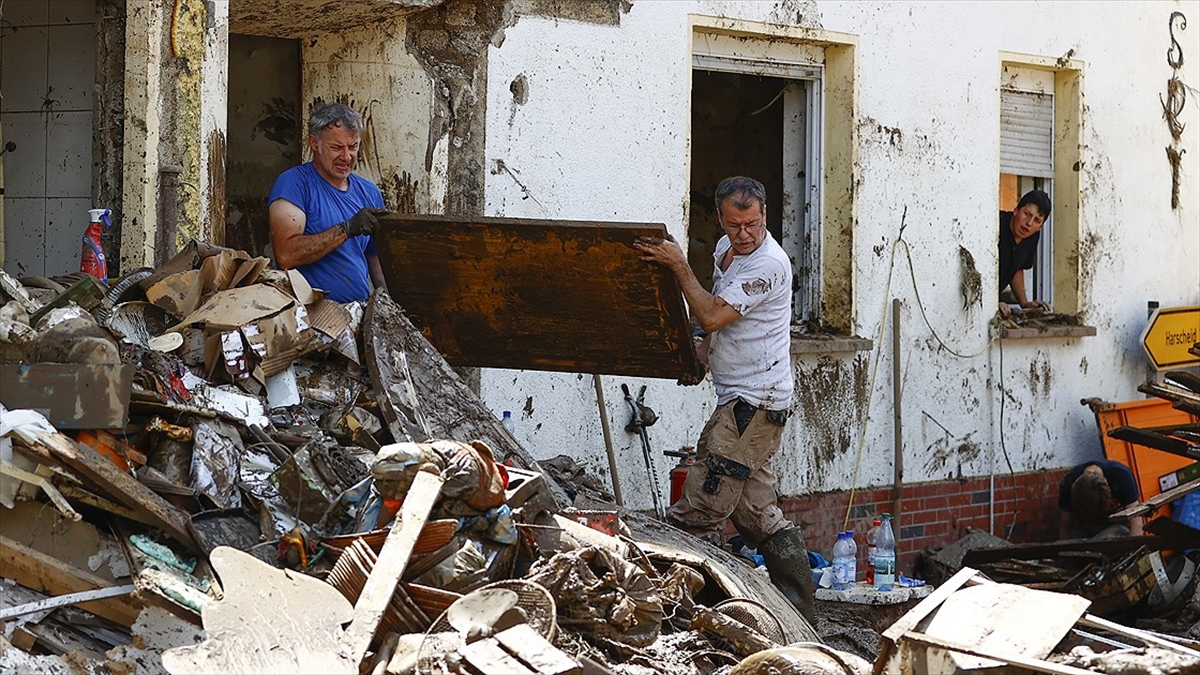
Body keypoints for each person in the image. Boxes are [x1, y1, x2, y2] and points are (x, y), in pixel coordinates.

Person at [634, 176, 815, 625]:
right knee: (756, 514)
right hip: (747, 399)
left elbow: (713, 316)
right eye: (735, 225)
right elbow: (724, 321)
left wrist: (679, 266)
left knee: (700, 506)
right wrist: (701, 355)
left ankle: (671, 610)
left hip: (752, 405)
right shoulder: (725, 250)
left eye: (753, 223)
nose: (745, 234)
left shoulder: (768, 265)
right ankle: (802, 614)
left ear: (766, 215)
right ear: (721, 218)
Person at [268, 103, 389, 303]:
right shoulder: (293, 184)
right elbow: (286, 255)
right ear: (314, 143)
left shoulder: (369, 192)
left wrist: (389, 304)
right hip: (311, 314)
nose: (346, 156)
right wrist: (347, 229)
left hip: (357, 311)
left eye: (353, 146)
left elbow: (375, 258)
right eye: (336, 147)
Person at [998, 189, 1052, 318]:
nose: (1029, 223)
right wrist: (991, 303)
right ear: (1016, 210)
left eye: (1037, 221)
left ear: (1040, 227)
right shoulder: (996, 224)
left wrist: (1025, 304)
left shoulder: (1032, 236)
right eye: (1027, 214)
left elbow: (1017, 268)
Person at [1058, 459, 1144, 539]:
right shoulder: (1069, 482)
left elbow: (1137, 522)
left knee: (1111, 536)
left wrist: (1133, 550)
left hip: (1115, 525)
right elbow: (1065, 526)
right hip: (1085, 528)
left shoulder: (1121, 475)